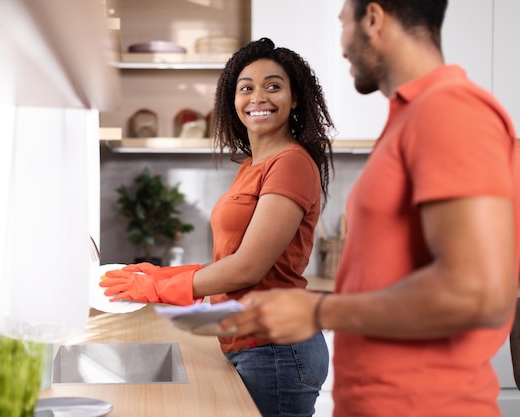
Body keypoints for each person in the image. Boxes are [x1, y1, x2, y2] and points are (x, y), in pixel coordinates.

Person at [219, 1, 520, 416]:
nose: (341, 46)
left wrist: (319, 309)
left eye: (343, 23)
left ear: (373, 18)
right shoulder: (410, 118)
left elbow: (474, 293)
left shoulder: (450, 111)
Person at [103, 37, 336, 417]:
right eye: (246, 88)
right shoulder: (251, 167)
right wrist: (161, 273)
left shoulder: (290, 163)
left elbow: (249, 268)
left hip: (277, 349)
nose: (257, 97)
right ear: (233, 99)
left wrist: (162, 287)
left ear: (295, 99)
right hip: (250, 342)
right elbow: (231, 258)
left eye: (273, 86)